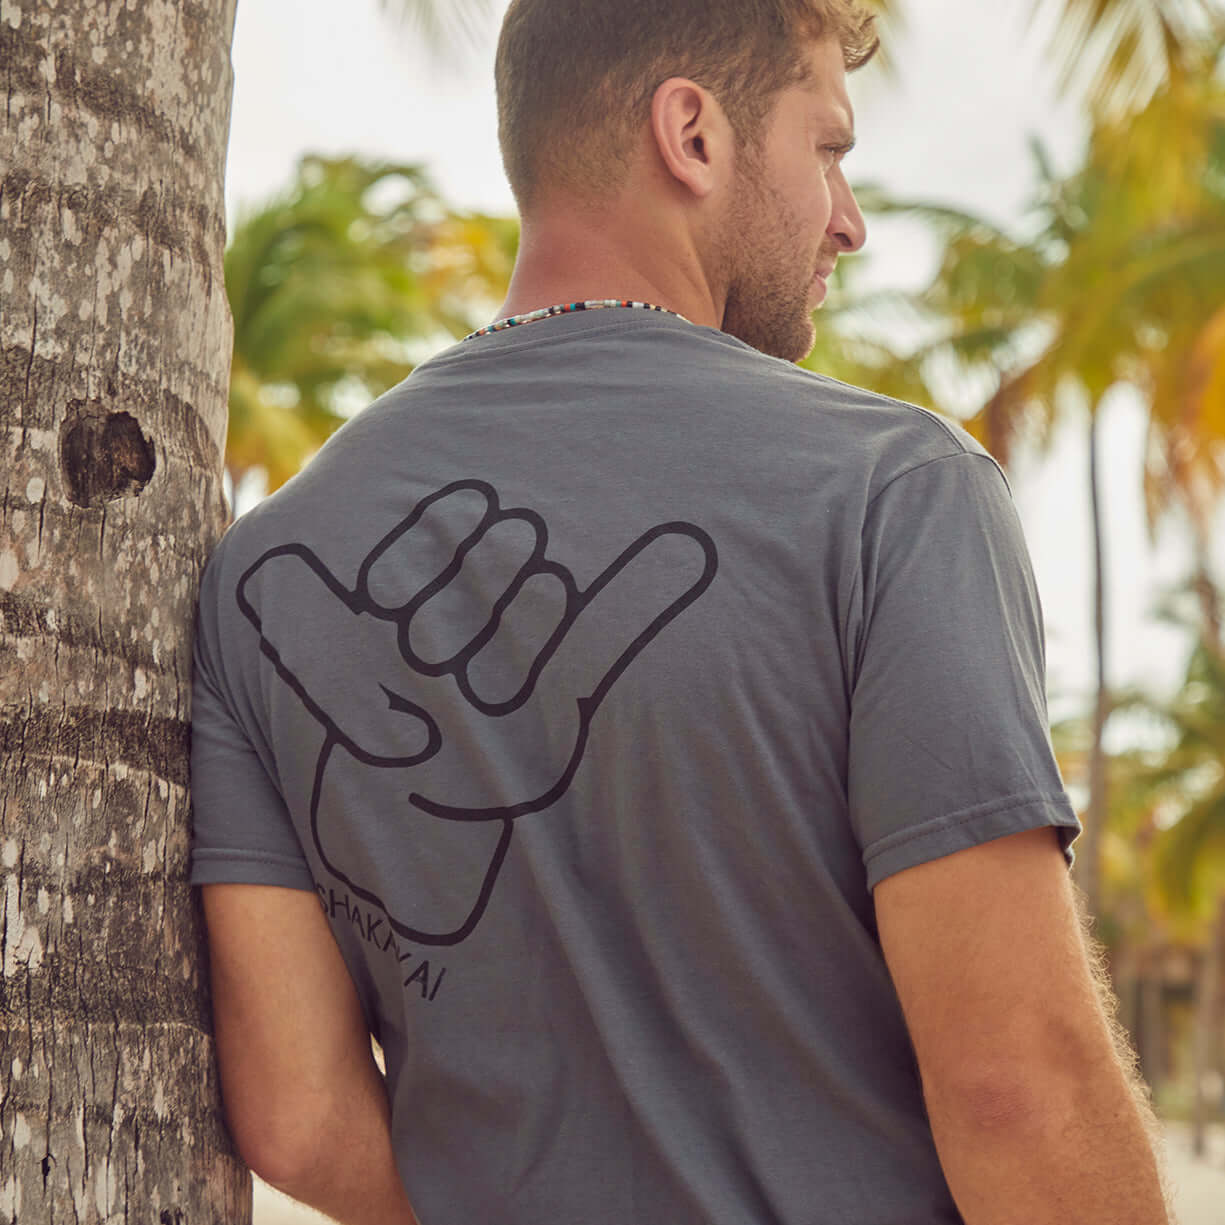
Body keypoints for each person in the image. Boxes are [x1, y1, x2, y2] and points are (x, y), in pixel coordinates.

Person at [189, 2, 1176, 1222]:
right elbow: (1020, 1092)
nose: (848, 219)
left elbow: (296, 1112)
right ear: (692, 134)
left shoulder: (267, 570)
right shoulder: (893, 490)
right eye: (827, 149)